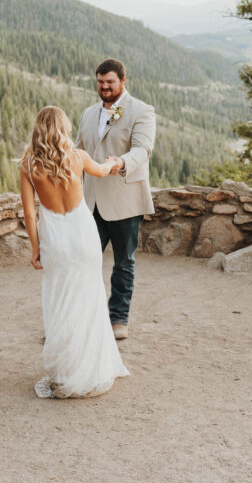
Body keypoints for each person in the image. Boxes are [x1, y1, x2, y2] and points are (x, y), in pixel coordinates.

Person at [20, 105, 129, 399]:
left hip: (54, 238)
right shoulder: (78, 157)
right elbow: (105, 171)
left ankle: (66, 369)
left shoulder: (29, 166)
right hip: (82, 234)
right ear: (64, 127)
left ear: (38, 130)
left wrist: (35, 248)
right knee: (89, 296)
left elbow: (30, 215)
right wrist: (114, 162)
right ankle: (90, 367)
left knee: (60, 299)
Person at [75, 58, 156, 341]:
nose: (105, 87)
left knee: (123, 262)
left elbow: (143, 149)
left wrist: (120, 163)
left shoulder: (142, 111)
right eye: (100, 82)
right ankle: (84, 317)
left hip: (125, 199)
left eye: (110, 82)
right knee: (84, 261)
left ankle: (118, 319)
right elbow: (79, 150)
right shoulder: (87, 114)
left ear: (123, 80)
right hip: (90, 201)